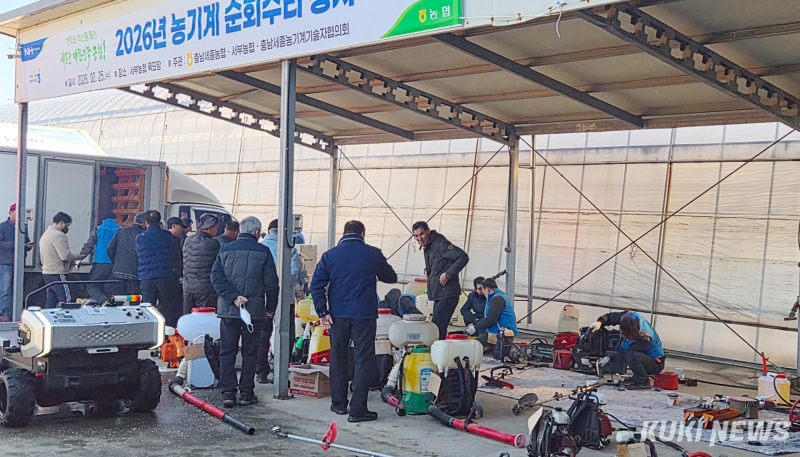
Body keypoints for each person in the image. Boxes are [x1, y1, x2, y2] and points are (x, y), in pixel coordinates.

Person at [311, 220, 397, 423]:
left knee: (338, 357)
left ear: (344, 233)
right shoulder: (372, 253)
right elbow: (391, 277)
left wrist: (323, 312)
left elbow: (316, 285)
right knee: (363, 359)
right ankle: (358, 410)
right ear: (362, 233)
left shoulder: (329, 255)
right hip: (364, 315)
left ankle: (338, 404)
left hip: (337, 315)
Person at [211, 216, 279, 408]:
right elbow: (272, 284)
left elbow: (215, 277)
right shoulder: (263, 252)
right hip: (253, 311)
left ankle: (228, 393)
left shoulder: (225, 249)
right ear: (257, 232)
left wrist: (232, 297)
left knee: (227, 351)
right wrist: (270, 309)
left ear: (240, 230)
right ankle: (246, 393)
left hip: (229, 310)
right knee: (250, 352)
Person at [257, 218, 301, 383]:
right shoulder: (291, 250)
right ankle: (281, 372)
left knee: (262, 334)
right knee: (286, 335)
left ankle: (261, 372)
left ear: (268, 231)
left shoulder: (259, 248)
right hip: (285, 299)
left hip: (263, 298)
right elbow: (292, 275)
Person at [412, 221, 469, 340]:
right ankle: (439, 349)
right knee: (438, 327)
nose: (419, 238)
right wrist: (428, 271)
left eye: (421, 234)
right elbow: (438, 262)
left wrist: (448, 274)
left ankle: (439, 349)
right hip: (439, 293)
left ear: (428, 231)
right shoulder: (428, 246)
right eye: (416, 236)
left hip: (448, 293)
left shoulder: (440, 244)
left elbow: (463, 257)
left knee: (437, 327)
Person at [590, 311, 665, 389]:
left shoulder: (645, 339)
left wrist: (609, 358)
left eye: (627, 337)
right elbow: (611, 317)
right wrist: (600, 322)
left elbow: (625, 355)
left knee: (632, 356)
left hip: (656, 363)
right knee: (620, 346)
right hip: (643, 356)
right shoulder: (629, 316)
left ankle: (643, 380)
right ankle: (638, 377)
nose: (623, 336)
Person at [136, 210, 182, 326]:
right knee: (167, 307)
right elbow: (175, 254)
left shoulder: (140, 237)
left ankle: (148, 328)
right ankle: (167, 331)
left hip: (146, 277)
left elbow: (138, 253)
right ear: (159, 221)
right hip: (165, 276)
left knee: (148, 306)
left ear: (146, 222)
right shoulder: (168, 236)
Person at [40, 212, 85, 308]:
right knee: (67, 299)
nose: (67, 228)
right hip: (58, 272)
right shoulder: (59, 235)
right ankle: (69, 316)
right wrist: (78, 256)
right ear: (61, 223)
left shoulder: (46, 234)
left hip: (47, 272)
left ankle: (46, 315)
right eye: (66, 225)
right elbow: (64, 256)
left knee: (51, 299)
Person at [182, 213, 221, 315]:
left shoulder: (188, 240)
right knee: (204, 318)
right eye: (215, 227)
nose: (216, 230)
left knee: (188, 317)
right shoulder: (213, 243)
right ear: (208, 228)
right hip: (205, 289)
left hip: (188, 288)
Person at [0, 204, 32, 321]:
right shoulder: (2, 227)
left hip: (19, 263)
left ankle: (15, 314)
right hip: (5, 263)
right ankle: (4, 314)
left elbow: (26, 241)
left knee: (18, 289)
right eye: (17, 212)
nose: (19, 216)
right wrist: (18, 244)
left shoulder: (23, 227)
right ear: (10, 212)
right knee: (5, 290)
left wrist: (28, 246)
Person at [80, 211, 121, 302]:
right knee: (110, 286)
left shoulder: (98, 229)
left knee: (91, 285)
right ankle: (110, 304)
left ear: (103, 220)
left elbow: (89, 244)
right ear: (115, 219)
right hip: (115, 263)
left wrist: (81, 257)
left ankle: (103, 301)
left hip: (101, 261)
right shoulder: (120, 230)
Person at [466, 278, 518, 349]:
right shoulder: (499, 295)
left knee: (474, 345)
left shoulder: (496, 300)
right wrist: (475, 324)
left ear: (487, 290)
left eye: (483, 291)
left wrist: (475, 327)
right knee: (480, 331)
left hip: (500, 334)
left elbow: (491, 320)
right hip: (500, 330)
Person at [107, 212, 146, 294]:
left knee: (117, 297)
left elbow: (110, 249)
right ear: (145, 223)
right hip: (135, 273)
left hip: (118, 272)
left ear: (134, 221)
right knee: (134, 298)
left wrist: (116, 263)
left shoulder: (121, 231)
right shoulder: (143, 235)